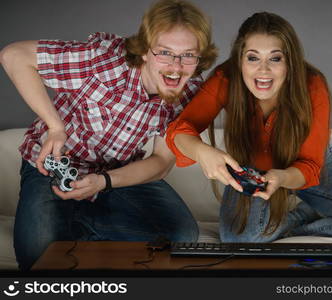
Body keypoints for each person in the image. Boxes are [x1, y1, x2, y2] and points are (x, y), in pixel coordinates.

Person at [0, 0, 217, 270]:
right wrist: (55, 127)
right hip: (52, 165)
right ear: (146, 51)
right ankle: (71, 226)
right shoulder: (103, 61)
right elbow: (14, 55)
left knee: (181, 236)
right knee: (39, 257)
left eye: (188, 55)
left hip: (116, 173)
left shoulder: (190, 92)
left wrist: (103, 182)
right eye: (165, 52)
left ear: (199, 58)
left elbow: (161, 162)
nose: (176, 66)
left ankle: (77, 222)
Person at [166, 12, 332, 243]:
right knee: (238, 240)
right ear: (240, 60)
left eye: (275, 59)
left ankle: (297, 219)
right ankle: (303, 214)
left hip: (305, 161)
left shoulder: (313, 84)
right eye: (253, 58)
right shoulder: (227, 78)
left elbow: (311, 165)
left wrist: (283, 178)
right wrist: (201, 151)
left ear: (289, 62)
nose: (263, 71)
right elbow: (179, 130)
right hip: (254, 167)